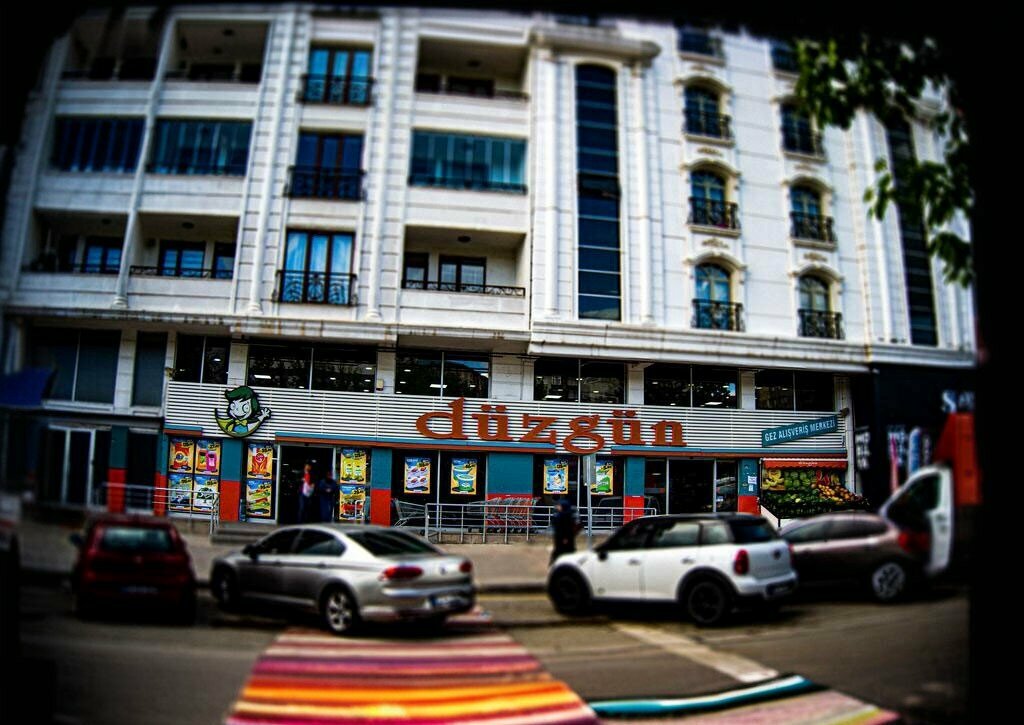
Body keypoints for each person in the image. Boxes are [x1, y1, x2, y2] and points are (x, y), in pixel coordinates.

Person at [550, 498, 581, 565]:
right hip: (561, 538)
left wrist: (566, 538)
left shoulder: (566, 516)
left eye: (559, 505)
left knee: (564, 552)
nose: (557, 507)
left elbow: (567, 528)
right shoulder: (560, 514)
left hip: (564, 539)